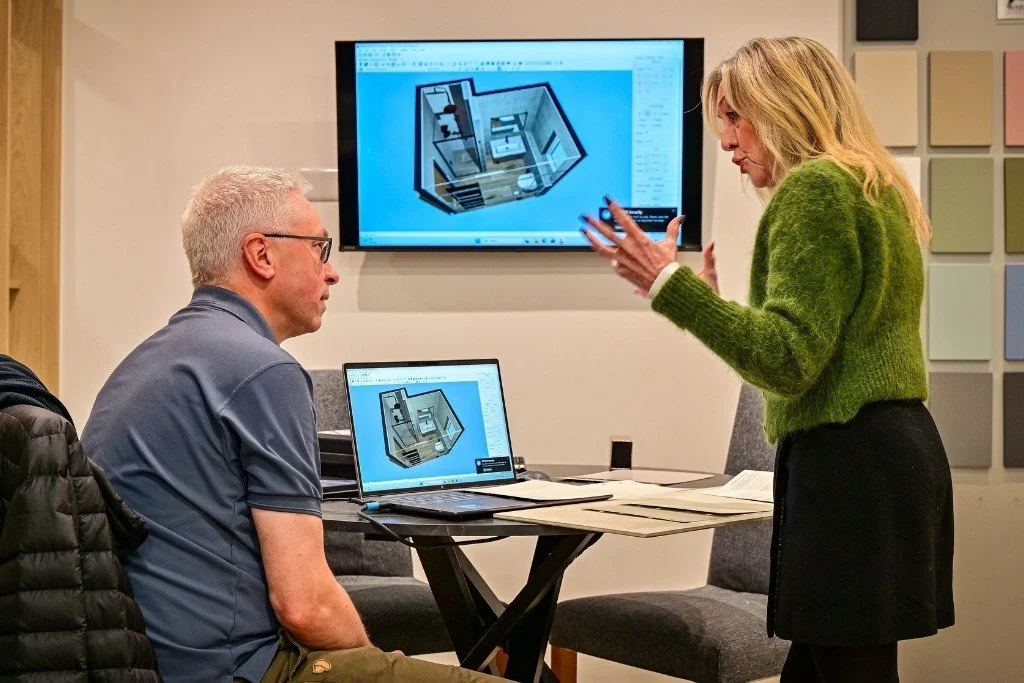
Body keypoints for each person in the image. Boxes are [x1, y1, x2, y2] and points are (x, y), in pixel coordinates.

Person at [580, 37, 954, 683]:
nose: (726, 139)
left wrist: (675, 288)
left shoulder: (813, 189)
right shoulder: (869, 182)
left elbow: (785, 361)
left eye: (734, 115)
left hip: (849, 464)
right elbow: (811, 353)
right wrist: (707, 303)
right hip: (890, 453)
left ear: (786, 104)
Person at [82, 166, 504, 683]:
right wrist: (369, 665)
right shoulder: (263, 370)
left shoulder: (152, 358)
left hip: (143, 659)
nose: (332, 273)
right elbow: (304, 606)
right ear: (261, 256)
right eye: (319, 249)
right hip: (238, 669)